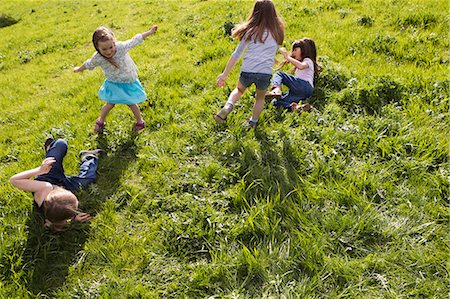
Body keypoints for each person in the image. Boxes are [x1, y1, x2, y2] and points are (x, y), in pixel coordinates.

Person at [74, 25, 158, 133]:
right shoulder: (98, 57)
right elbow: (88, 64)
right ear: (97, 48)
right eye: (104, 49)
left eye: (111, 47)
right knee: (109, 104)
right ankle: (100, 122)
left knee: (131, 103)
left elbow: (135, 40)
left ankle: (140, 122)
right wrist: (79, 69)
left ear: (114, 43)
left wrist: (150, 32)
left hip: (128, 82)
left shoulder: (121, 48)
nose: (108, 52)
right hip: (113, 83)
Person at [214, 0, 284, 129]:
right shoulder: (277, 33)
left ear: (255, 14)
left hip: (248, 70)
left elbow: (236, 54)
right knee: (259, 98)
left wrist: (224, 74)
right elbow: (272, 51)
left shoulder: (250, 32)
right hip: (265, 72)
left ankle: (228, 106)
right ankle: (253, 122)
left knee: (239, 90)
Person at [9, 138, 105, 231]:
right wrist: (74, 220)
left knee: (61, 144)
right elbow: (60, 223)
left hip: (48, 176)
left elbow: (14, 180)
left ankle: (50, 149)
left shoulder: (44, 188)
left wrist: (39, 170)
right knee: (88, 179)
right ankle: (88, 156)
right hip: (62, 182)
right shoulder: (54, 218)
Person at [265, 38, 319, 112]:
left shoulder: (308, 60)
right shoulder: (302, 64)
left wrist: (288, 57)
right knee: (276, 102)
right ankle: (295, 107)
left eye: (295, 50)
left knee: (279, 74)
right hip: (303, 92)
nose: (293, 53)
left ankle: (276, 89)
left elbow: (301, 66)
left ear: (303, 50)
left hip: (304, 85)